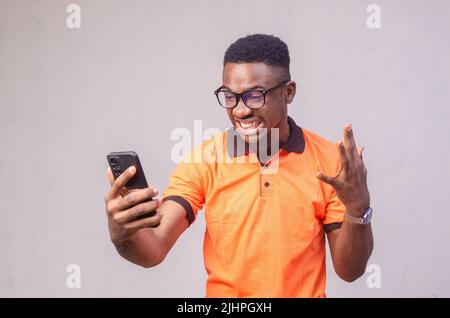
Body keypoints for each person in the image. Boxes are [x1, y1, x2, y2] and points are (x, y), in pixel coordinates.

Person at [103, 34, 373, 297]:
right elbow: (154, 248)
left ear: (288, 93)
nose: (240, 110)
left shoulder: (330, 163)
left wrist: (357, 210)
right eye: (230, 96)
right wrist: (123, 236)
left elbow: (350, 270)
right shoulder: (205, 160)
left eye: (255, 96)